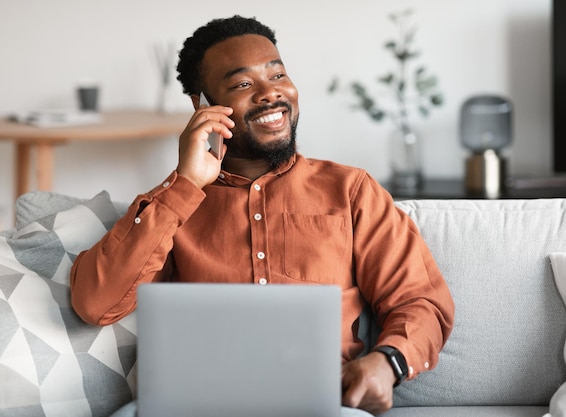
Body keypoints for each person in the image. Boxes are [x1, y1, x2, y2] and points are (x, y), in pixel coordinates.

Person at [70, 15, 454, 417]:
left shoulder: (352, 190)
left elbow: (420, 301)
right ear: (202, 105)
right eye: (242, 84)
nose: (271, 93)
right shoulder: (173, 203)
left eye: (278, 74)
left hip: (323, 403)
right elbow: (97, 304)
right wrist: (185, 185)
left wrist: (387, 362)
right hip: (192, 406)